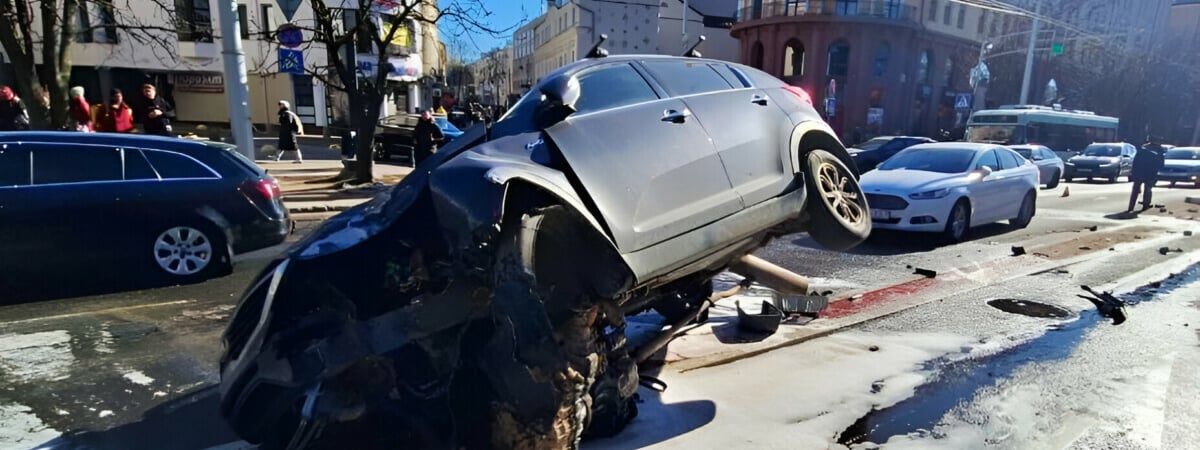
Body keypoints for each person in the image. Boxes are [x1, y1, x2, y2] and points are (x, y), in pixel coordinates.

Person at [1129, 135, 1167, 212]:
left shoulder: (1142, 148)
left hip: (1139, 172)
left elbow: (1135, 161)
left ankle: (1131, 206)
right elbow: (1160, 164)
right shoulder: (1159, 150)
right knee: (1148, 189)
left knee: (1135, 189)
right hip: (1150, 173)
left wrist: (1133, 172)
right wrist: (1157, 172)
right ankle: (1146, 205)